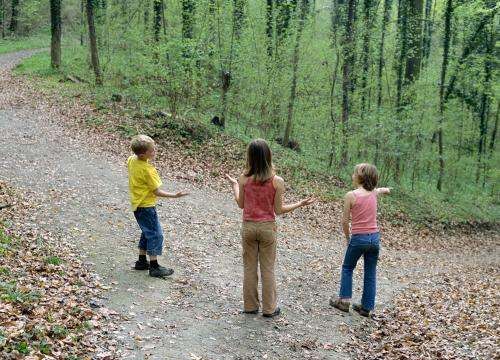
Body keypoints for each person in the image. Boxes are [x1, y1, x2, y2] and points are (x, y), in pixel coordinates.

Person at [226, 139, 315, 318]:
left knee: (249, 268)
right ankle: (269, 309)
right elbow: (279, 210)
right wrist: (300, 203)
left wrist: (235, 186)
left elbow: (241, 204)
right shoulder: (277, 181)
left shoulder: (244, 179)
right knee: (268, 268)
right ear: (268, 156)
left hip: (248, 227)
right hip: (267, 228)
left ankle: (250, 306)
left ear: (250, 157)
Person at [330, 163, 391, 317]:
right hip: (374, 239)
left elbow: (345, 221)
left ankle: (344, 301)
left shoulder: (351, 195)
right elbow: (382, 190)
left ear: (361, 178)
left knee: (347, 267)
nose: (352, 175)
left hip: (359, 238)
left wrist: (347, 237)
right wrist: (386, 190)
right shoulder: (373, 193)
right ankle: (366, 307)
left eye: (354, 173)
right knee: (370, 272)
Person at [127, 135, 188, 278]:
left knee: (146, 231)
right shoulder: (148, 170)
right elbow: (157, 191)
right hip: (146, 206)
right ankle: (154, 267)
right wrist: (175, 195)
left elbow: (134, 158)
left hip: (137, 204)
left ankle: (141, 261)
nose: (155, 152)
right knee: (156, 234)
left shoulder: (131, 160)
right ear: (143, 154)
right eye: (152, 151)